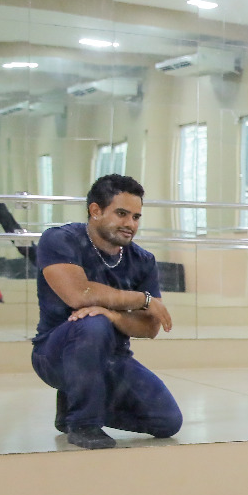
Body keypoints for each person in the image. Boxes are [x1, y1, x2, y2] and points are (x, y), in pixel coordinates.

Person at [31, 175, 182, 450]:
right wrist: (141, 300)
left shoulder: (143, 260)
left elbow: (149, 328)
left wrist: (113, 315)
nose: (130, 224)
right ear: (95, 210)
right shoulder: (59, 240)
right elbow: (79, 294)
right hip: (55, 354)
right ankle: (83, 423)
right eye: (122, 214)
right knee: (93, 322)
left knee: (167, 421)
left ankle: (72, 405)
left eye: (136, 217)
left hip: (113, 358)